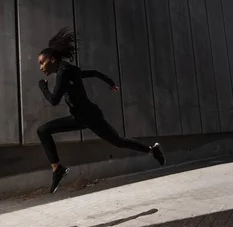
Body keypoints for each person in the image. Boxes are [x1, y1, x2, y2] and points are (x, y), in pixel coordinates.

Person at [37, 28, 166, 193]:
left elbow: (54, 100)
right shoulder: (69, 70)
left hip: (90, 117)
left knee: (118, 141)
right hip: (79, 117)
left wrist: (43, 88)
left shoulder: (63, 72)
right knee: (43, 131)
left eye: (42, 62)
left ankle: (152, 151)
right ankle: (57, 169)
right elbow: (93, 73)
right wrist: (110, 82)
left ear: (52, 59)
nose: (41, 67)